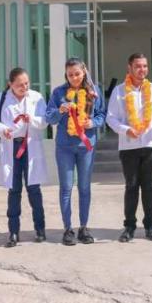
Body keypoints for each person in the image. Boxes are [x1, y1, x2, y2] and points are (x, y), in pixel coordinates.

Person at [106, 53, 152, 242]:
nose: (142, 70)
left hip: (150, 144)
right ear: (129, 68)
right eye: (137, 66)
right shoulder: (119, 91)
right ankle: (129, 226)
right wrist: (126, 130)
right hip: (128, 146)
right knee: (131, 186)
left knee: (149, 186)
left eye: (144, 66)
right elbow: (111, 118)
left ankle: (150, 226)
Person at [0, 68, 49, 247]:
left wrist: (32, 120)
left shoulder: (36, 97)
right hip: (12, 147)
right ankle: (13, 231)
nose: (24, 87)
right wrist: (2, 129)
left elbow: (44, 121)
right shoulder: (2, 99)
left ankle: (40, 229)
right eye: (20, 84)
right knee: (14, 191)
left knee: (34, 190)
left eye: (27, 83)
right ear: (10, 84)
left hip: (30, 147)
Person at [46, 58, 106, 246]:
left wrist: (93, 123)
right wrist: (60, 111)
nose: (74, 78)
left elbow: (102, 114)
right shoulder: (58, 92)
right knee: (66, 187)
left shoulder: (93, 92)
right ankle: (67, 228)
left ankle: (84, 227)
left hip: (86, 146)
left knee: (84, 187)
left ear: (84, 71)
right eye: (70, 74)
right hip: (65, 146)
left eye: (77, 73)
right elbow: (49, 117)